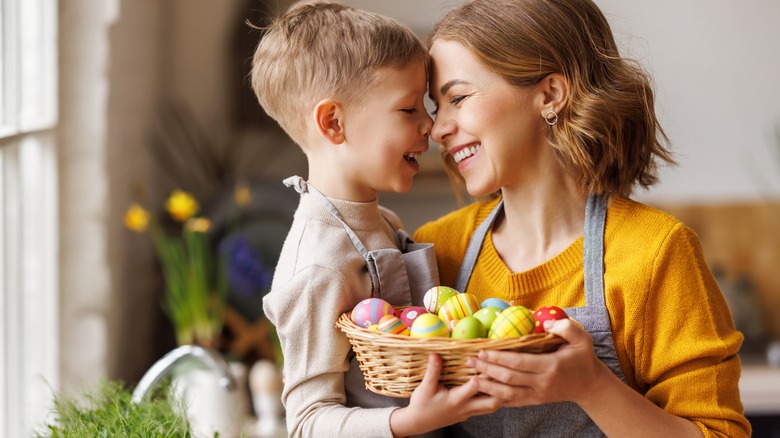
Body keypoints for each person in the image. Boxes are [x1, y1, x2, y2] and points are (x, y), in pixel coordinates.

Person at [414, 0, 751, 436]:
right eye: (436, 107)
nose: (439, 128)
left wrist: (592, 386)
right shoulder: (437, 249)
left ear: (550, 94)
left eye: (457, 98)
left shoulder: (653, 252)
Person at [251, 2, 501, 437]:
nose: (431, 124)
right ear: (333, 123)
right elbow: (307, 424)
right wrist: (410, 421)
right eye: (409, 110)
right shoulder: (318, 263)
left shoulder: (382, 220)